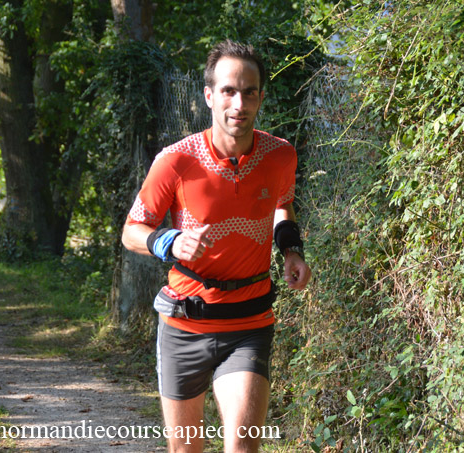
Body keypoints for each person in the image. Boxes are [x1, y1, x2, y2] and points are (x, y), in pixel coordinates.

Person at [121, 39, 311, 452]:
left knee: (243, 445)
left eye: (249, 92)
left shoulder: (281, 156)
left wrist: (291, 249)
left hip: (249, 323)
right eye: (228, 91)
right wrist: (169, 241)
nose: (238, 104)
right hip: (184, 324)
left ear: (261, 97)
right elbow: (132, 230)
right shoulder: (175, 161)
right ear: (209, 95)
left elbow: (282, 205)